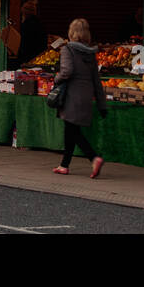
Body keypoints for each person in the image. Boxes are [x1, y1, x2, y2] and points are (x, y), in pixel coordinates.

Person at [52, 18, 107, 178]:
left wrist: (57, 78)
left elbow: (67, 71)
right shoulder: (90, 53)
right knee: (71, 130)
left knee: (73, 131)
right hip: (86, 96)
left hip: (71, 95)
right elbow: (96, 81)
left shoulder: (67, 50)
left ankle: (94, 157)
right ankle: (64, 165)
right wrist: (102, 104)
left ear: (72, 32)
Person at [15, 0, 47, 66]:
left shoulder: (26, 24)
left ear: (24, 13)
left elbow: (24, 43)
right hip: (39, 56)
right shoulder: (39, 23)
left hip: (28, 57)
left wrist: (20, 58)